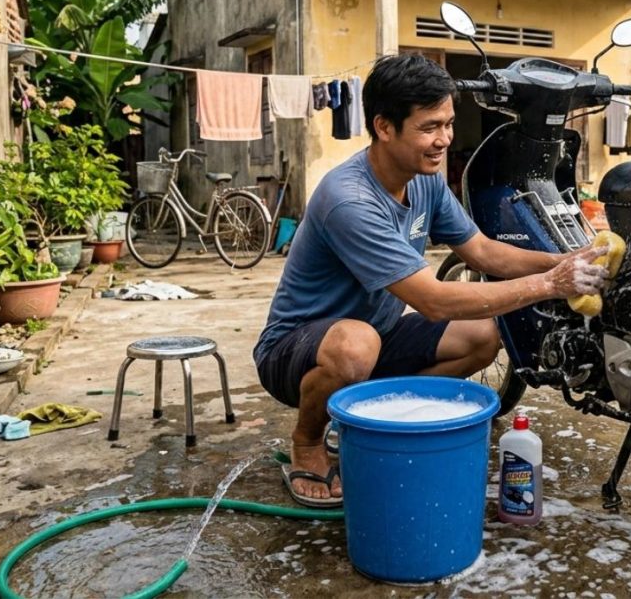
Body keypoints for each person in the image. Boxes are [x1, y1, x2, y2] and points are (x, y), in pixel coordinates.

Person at [253, 54, 608, 508]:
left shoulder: (426, 181)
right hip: (296, 350)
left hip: (378, 336)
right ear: (384, 127)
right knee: (355, 346)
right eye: (430, 127)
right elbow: (434, 300)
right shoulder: (349, 199)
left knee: (482, 336)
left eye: (449, 124)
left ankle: (373, 424)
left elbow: (483, 251)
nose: (444, 139)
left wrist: (564, 260)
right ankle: (307, 441)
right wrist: (552, 284)